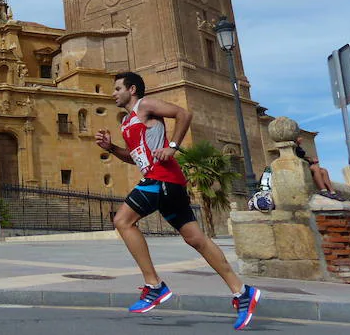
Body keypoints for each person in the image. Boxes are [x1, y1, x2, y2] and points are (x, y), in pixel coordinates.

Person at [95, 71, 261, 331]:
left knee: (122, 220)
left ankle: (154, 286)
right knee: (196, 239)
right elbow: (136, 157)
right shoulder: (127, 121)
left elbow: (184, 114)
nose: (113, 93)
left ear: (133, 90)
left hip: (162, 179)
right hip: (164, 182)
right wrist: (112, 148)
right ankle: (242, 292)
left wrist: (172, 145)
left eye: (118, 88)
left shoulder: (145, 105)